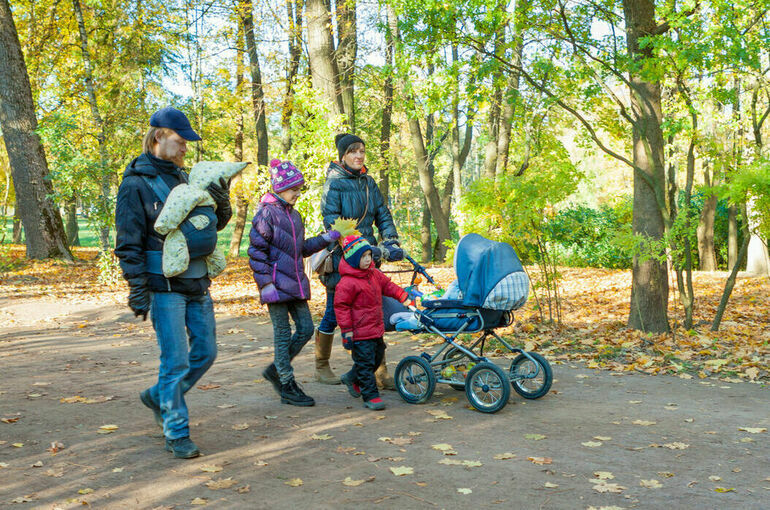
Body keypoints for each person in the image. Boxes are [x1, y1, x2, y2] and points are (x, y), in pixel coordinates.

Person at [114, 107, 232, 459]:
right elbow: (128, 242)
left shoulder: (186, 181)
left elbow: (211, 226)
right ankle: (176, 431)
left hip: (198, 282)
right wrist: (137, 287)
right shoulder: (135, 184)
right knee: (176, 362)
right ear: (157, 138)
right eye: (180, 142)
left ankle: (157, 396)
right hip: (163, 287)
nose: (185, 150)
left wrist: (222, 202)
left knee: (206, 353)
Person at [248, 159, 340, 406]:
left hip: (296, 284)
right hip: (275, 287)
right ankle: (286, 383)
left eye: (299, 189)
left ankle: (277, 369)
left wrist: (325, 239)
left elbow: (300, 249)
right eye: (293, 189)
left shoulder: (294, 216)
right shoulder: (265, 214)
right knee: (282, 333)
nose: (298, 194)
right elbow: (257, 253)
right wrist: (265, 284)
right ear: (279, 188)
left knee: (306, 329)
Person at [316, 133, 405, 387]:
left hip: (369, 259)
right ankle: (321, 366)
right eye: (353, 152)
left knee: (373, 311)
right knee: (335, 312)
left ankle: (379, 371)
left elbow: (383, 214)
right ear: (343, 156)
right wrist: (359, 248)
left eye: (362, 152)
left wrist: (389, 240)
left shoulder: (369, 182)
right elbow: (332, 221)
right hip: (344, 258)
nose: (358, 156)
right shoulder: (333, 184)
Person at [334, 235, 412, 410]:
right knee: (366, 364)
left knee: (377, 357)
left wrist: (402, 296)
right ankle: (370, 395)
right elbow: (341, 307)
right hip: (359, 332)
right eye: (363, 256)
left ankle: (351, 378)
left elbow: (389, 286)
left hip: (375, 328)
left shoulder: (374, 274)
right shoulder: (347, 283)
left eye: (369, 254)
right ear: (354, 259)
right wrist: (347, 332)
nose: (368, 259)